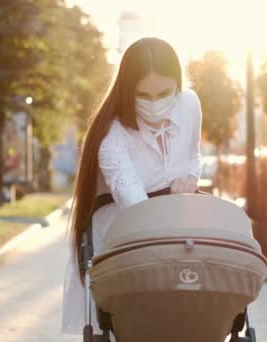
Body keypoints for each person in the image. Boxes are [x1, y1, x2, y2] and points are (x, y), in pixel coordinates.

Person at [61, 37, 203, 336]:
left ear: (178, 84)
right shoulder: (112, 137)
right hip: (125, 233)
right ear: (128, 90)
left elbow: (193, 155)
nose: (154, 103)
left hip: (176, 225)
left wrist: (190, 179)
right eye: (143, 94)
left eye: (164, 92)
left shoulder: (189, 105)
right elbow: (135, 206)